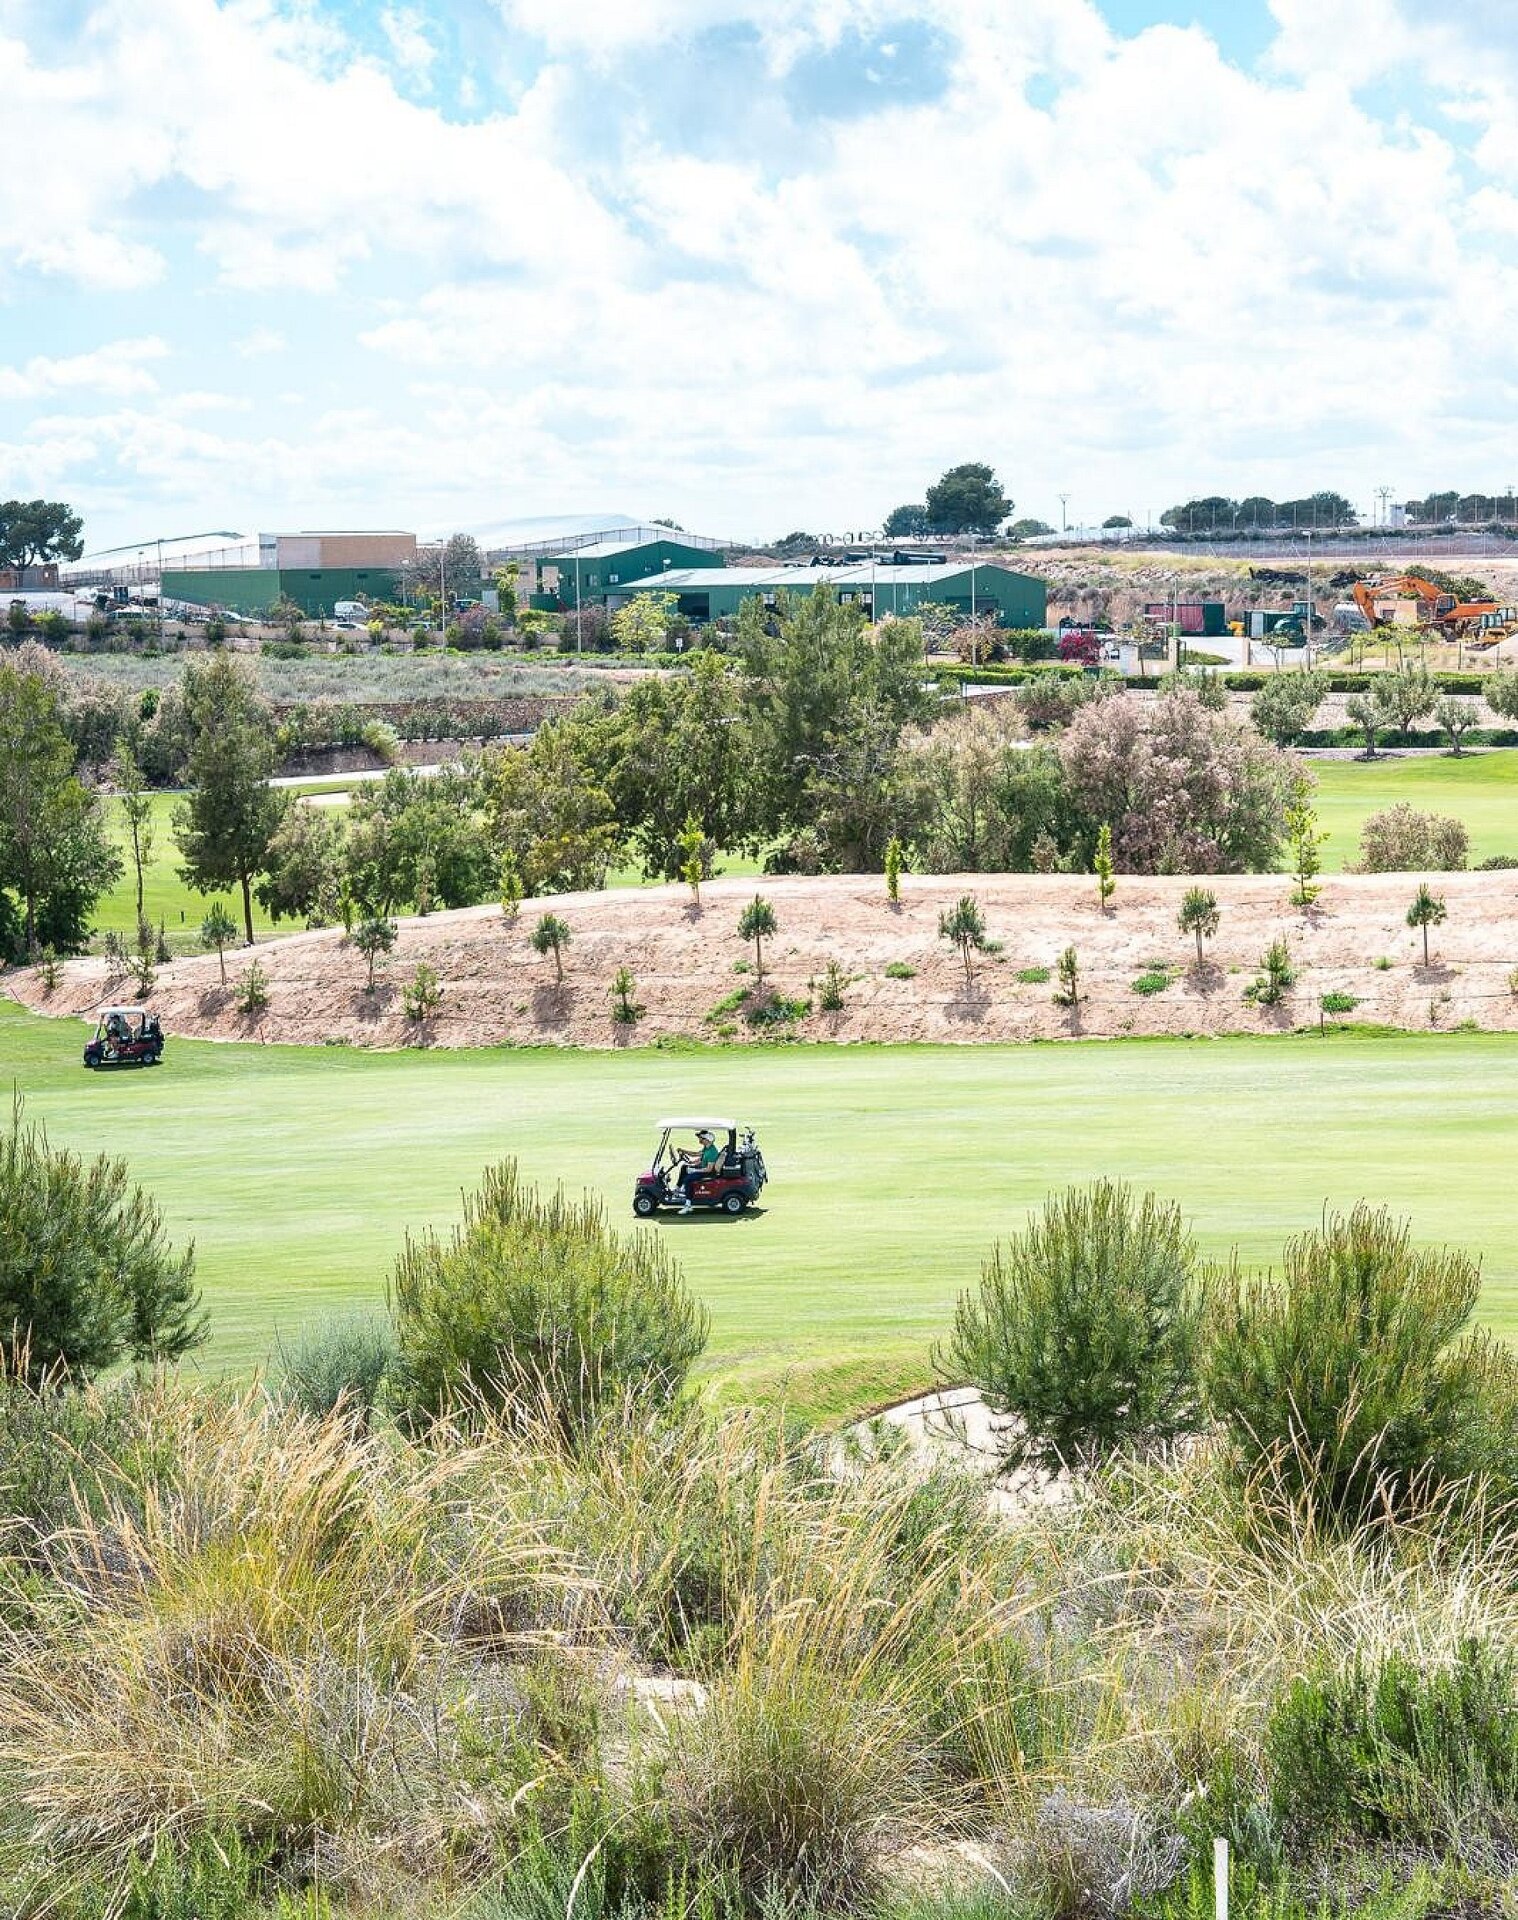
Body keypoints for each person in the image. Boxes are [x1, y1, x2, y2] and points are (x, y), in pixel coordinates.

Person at [674, 1129, 721, 1214]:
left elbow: (709, 1169)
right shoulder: (706, 1148)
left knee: (688, 1179)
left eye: (701, 1138)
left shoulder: (712, 1152)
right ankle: (677, 1189)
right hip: (704, 1169)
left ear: (706, 1140)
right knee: (684, 1167)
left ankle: (688, 1205)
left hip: (708, 1172)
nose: (699, 1139)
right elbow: (697, 1155)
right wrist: (684, 1152)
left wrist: (694, 1170)